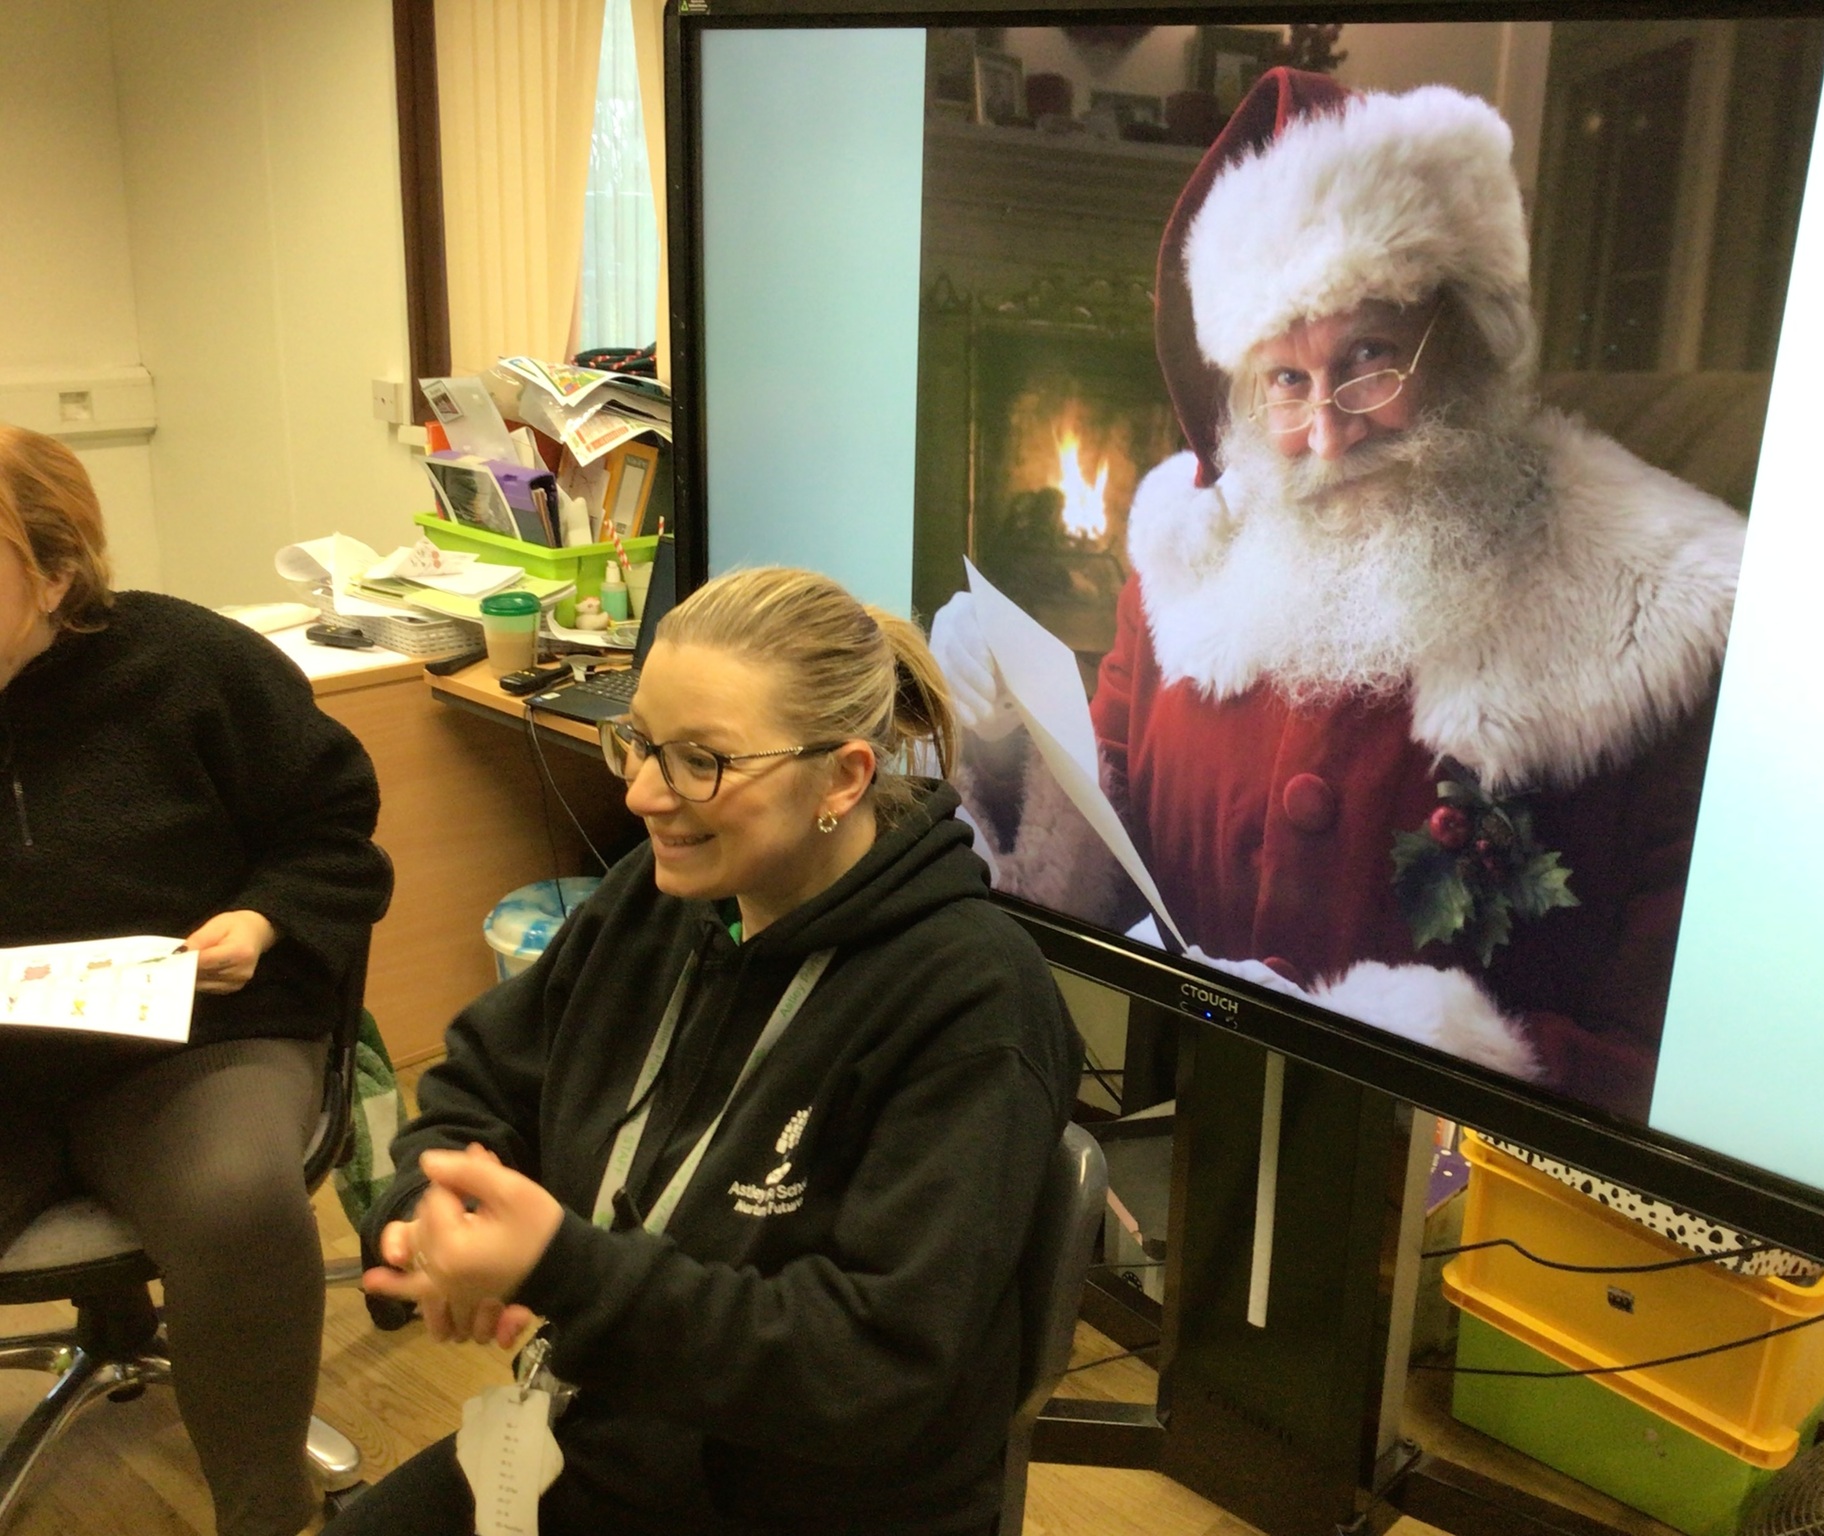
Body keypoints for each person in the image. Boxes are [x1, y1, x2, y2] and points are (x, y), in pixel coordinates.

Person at [934, 72, 1747, 1122]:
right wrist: (1010, 751)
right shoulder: (1185, 568)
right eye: (1284, 379)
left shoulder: (1661, 624)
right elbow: (1107, 859)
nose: (1325, 434)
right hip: (1167, 1140)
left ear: (1465, 340)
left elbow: (1680, 1072)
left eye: (1368, 357)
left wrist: (1374, 1051)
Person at [334, 566, 1083, 1535]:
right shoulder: (656, 898)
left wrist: (565, 1270)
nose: (644, 794)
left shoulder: (973, 1002)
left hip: (804, 1501)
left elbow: (869, 1369)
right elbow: (485, 1083)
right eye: (640, 742)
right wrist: (429, 1211)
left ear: (844, 776)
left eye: (702, 762)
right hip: (609, 1426)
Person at [0, 426, 390, 1536]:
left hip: (192, 1038)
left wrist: (261, 922)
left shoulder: (191, 665)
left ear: (56, 573)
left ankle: (264, 1514)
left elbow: (332, 833)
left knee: (234, 1200)